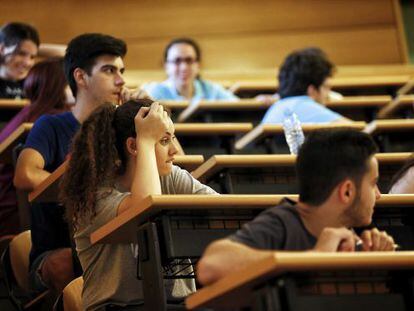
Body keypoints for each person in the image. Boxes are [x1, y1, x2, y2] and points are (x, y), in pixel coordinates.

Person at [13, 33, 146, 295]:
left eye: (122, 70)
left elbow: (177, 166)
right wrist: (90, 187)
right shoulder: (51, 126)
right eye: (109, 70)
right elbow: (25, 174)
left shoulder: (123, 129)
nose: (121, 80)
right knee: (69, 264)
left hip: (113, 247)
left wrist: (148, 114)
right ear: (81, 77)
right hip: (57, 253)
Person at [60, 99, 217, 310]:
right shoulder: (94, 196)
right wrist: (145, 141)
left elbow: (221, 210)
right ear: (134, 146)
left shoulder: (170, 177)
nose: (174, 151)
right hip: (118, 307)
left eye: (173, 139)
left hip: (179, 304)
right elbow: (146, 211)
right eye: (163, 140)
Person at [196, 128, 395, 286]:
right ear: (347, 192)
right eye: (373, 183)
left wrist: (379, 267)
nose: (378, 194)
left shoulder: (361, 235)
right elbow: (210, 266)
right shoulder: (283, 222)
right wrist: (315, 258)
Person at [0, 57, 71, 237]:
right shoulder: (51, 120)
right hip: (16, 216)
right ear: (59, 85)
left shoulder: (29, 113)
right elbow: (27, 176)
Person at [261, 47, 349, 124]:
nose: (328, 95)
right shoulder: (307, 108)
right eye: (326, 88)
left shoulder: (276, 107)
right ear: (312, 90)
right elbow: (360, 132)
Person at [143, 38, 238, 101]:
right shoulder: (154, 92)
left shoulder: (211, 90)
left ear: (198, 65)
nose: (184, 67)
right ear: (166, 66)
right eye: (177, 61)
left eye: (189, 60)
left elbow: (239, 107)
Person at [0, 22, 40, 99]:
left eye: (32, 57)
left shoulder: (34, 84)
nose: (27, 63)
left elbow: (64, 55)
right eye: (21, 54)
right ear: (2, 49)